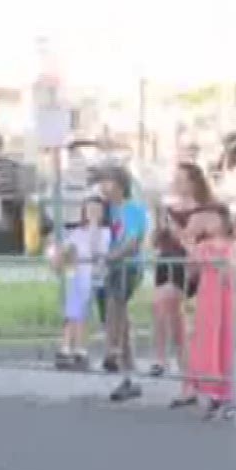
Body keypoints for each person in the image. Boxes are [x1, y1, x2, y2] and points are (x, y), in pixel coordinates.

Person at [151, 163, 212, 386]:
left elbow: (193, 242)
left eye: (180, 179)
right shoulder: (169, 209)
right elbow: (156, 242)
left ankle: (160, 358)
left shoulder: (202, 211)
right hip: (165, 262)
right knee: (175, 321)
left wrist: (174, 228)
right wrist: (159, 228)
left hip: (184, 265)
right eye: (174, 179)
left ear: (192, 183)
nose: (175, 183)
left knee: (161, 301)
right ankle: (188, 381)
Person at [98, 168, 150, 402]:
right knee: (120, 317)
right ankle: (128, 373)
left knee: (115, 303)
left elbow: (132, 241)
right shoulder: (107, 211)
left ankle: (113, 351)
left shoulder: (133, 210)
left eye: (107, 182)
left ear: (120, 184)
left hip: (127, 267)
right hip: (109, 268)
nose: (103, 188)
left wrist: (112, 256)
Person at [183, 205, 236, 417]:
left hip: (224, 299)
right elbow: (192, 272)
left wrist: (220, 264)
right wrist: (191, 250)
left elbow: (229, 271)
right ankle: (209, 387)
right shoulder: (203, 246)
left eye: (212, 220)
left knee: (222, 340)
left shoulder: (230, 246)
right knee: (206, 340)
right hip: (207, 299)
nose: (207, 224)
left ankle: (224, 390)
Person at [57, 198, 110, 369]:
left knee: (80, 312)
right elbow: (67, 251)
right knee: (74, 311)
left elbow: (97, 251)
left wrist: (94, 227)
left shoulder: (104, 232)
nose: (92, 213)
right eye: (89, 209)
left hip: (93, 276)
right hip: (78, 275)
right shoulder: (78, 232)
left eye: (96, 210)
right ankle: (70, 348)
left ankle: (76, 348)